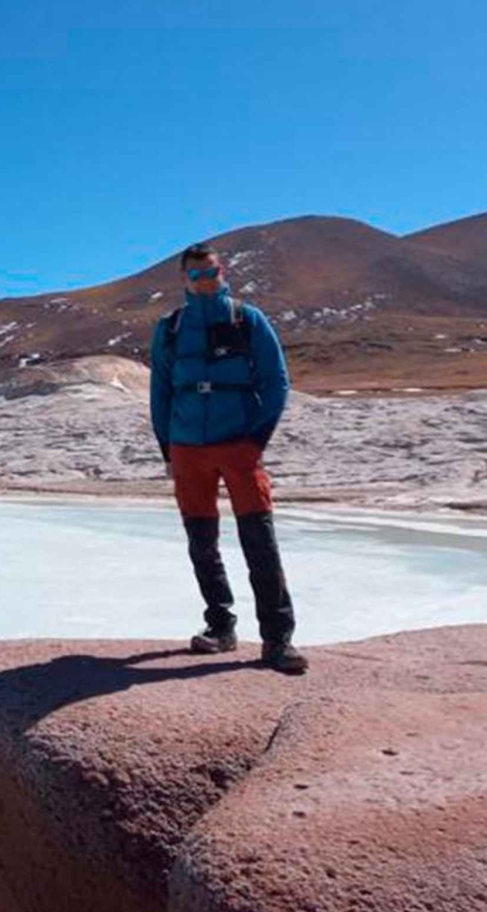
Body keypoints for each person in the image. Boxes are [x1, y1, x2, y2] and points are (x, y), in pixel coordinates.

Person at [149, 243, 308, 674]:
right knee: (202, 542)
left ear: (223, 272)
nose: (205, 281)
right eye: (196, 275)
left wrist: (256, 439)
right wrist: (168, 448)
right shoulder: (170, 328)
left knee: (259, 539)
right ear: (184, 279)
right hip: (187, 449)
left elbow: (276, 381)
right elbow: (160, 392)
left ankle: (278, 639)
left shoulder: (246, 319)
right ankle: (220, 626)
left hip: (238, 444)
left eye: (211, 273)